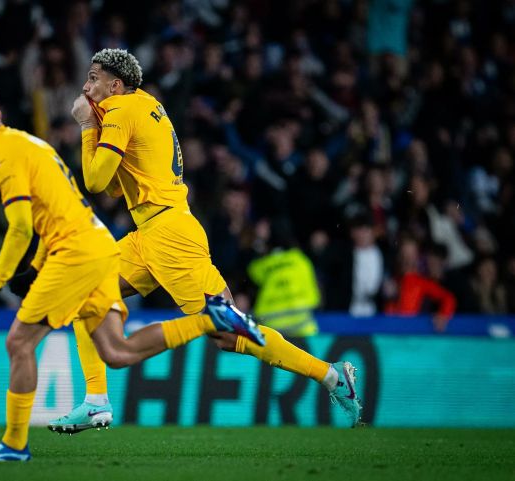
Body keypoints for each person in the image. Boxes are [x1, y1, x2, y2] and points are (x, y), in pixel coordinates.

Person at [46, 49, 361, 432]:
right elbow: (114, 187)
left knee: (229, 333)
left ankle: (330, 376)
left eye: (93, 78)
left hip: (171, 237)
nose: (85, 85)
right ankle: (96, 402)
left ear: (115, 85)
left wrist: (85, 126)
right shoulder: (145, 105)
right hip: (152, 231)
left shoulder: (121, 112)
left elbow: (95, 182)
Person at [0, 83, 261, 462]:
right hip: (95, 245)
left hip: (76, 255)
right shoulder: (31, 144)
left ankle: (15, 445)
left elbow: (20, 227)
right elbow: (62, 208)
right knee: (116, 351)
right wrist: (33, 269)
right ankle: (207, 321)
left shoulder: (4, 156)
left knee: (19, 343)